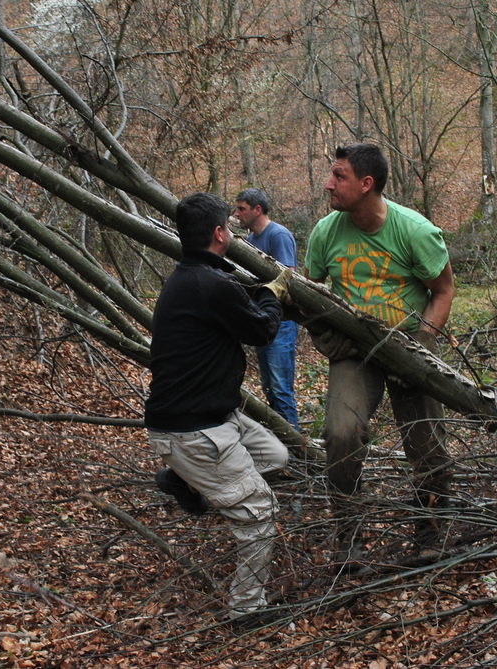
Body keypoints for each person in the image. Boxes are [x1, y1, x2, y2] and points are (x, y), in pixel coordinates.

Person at [304, 143, 455, 566]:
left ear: (366, 184)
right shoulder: (325, 232)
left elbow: (443, 291)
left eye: (339, 176)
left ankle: (431, 533)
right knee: (341, 434)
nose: (329, 184)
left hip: (409, 344)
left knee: (427, 444)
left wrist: (422, 346)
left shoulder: (414, 231)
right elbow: (307, 293)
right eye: (331, 174)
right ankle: (349, 538)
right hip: (355, 351)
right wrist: (324, 334)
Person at [144, 192, 292, 619]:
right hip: (193, 430)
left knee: (276, 455)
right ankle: (246, 611)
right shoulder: (208, 285)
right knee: (260, 514)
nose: (232, 229)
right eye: (229, 223)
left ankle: (185, 479)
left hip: (213, 417)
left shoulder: (193, 276)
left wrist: (256, 290)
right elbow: (263, 329)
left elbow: (228, 290)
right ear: (219, 234)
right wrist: (273, 292)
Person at [233, 188, 300, 432]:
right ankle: (280, 447)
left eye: (242, 209)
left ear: (257, 210)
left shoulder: (278, 235)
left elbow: (288, 277)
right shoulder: (250, 241)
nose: (237, 214)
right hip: (262, 321)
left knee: (281, 388)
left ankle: (296, 453)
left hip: (281, 324)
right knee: (270, 387)